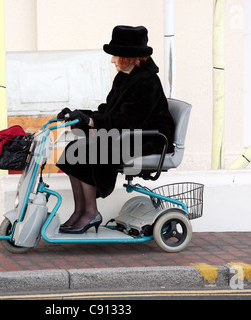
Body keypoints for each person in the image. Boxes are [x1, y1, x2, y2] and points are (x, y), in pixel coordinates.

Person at [56, 25, 175, 234]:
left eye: (116, 55)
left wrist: (92, 122)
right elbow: (109, 110)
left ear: (130, 56)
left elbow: (129, 120)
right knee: (74, 151)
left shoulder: (147, 81)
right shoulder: (124, 77)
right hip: (129, 134)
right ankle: (80, 211)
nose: (112, 60)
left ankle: (91, 212)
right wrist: (82, 115)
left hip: (150, 138)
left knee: (90, 153)